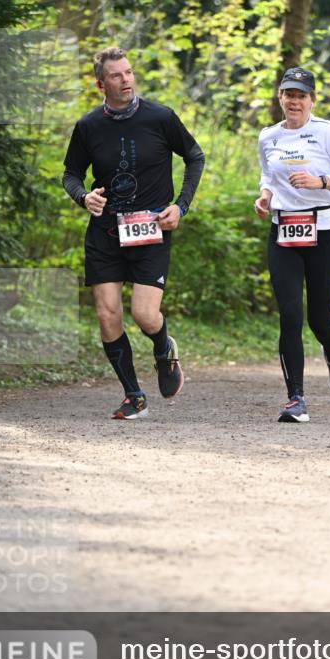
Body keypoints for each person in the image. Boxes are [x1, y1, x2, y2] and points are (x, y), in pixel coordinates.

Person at [62, 46, 205, 418]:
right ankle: (133, 395)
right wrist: (83, 196)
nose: (125, 79)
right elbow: (71, 174)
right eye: (116, 75)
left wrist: (181, 205)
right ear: (100, 84)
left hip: (151, 230)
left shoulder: (160, 117)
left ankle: (163, 348)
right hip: (105, 231)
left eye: (128, 72)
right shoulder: (88, 126)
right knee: (107, 314)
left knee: (144, 314)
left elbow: (194, 156)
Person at [255, 66, 330, 423]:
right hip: (283, 231)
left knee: (319, 319)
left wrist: (322, 181)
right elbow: (267, 174)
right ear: (280, 98)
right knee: (290, 315)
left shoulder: (325, 131)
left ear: (312, 100)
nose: (294, 102)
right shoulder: (268, 136)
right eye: (289, 95)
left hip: (324, 233)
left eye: (301, 96)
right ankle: (296, 399)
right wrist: (264, 195)